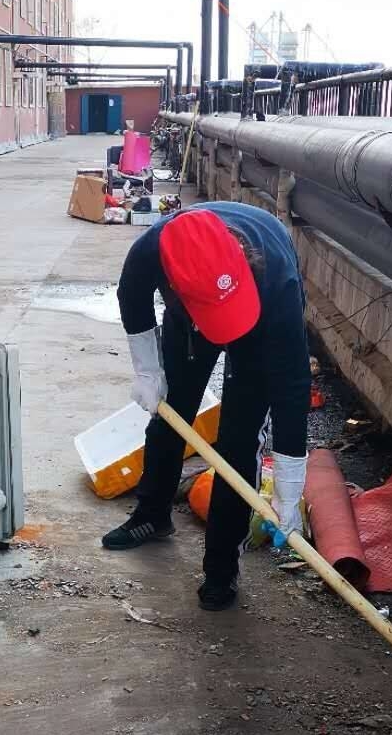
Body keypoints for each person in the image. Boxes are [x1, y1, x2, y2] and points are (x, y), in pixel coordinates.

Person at [103, 202, 311, 612]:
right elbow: (132, 296)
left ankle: (220, 569)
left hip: (256, 314)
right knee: (171, 411)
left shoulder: (277, 288)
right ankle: (153, 513)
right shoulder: (155, 250)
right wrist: (147, 370)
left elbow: (292, 388)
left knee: (238, 441)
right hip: (190, 317)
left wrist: (289, 488)